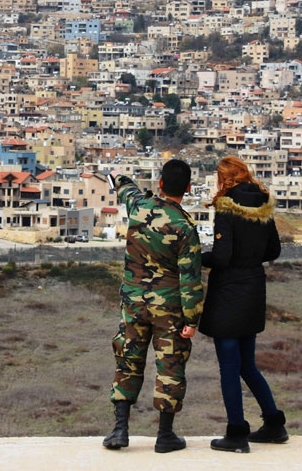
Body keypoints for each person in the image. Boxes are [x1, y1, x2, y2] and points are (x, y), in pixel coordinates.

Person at [102, 159, 203, 454]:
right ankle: (165, 435)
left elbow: (126, 188)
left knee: (128, 360)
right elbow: (191, 280)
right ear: (187, 188)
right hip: (169, 309)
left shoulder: (139, 207)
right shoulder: (185, 227)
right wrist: (192, 319)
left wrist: (117, 175)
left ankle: (120, 430)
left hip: (133, 304)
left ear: (159, 184)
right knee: (170, 366)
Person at [200, 156, 287, 453]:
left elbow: (222, 257)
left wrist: (201, 258)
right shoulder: (263, 204)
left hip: (228, 293)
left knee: (229, 366)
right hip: (253, 288)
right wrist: (250, 259)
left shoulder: (226, 207)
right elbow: (273, 249)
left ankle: (236, 433)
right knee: (247, 365)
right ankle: (274, 423)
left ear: (224, 179)